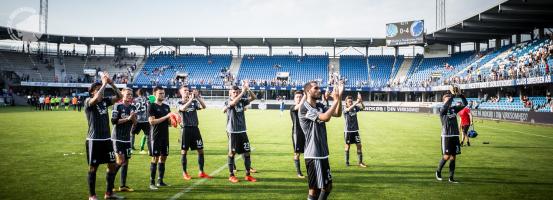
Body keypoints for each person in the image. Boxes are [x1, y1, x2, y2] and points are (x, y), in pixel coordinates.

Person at [299, 80, 344, 200]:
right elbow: (325, 117)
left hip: (322, 152)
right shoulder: (305, 107)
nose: (319, 90)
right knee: (315, 190)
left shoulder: (319, 105)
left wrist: (339, 98)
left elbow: (337, 113)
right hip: (314, 154)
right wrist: (335, 100)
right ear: (308, 91)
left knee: (327, 187)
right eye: (316, 88)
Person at [84, 72, 123, 200]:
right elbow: (95, 99)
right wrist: (104, 84)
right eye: (97, 90)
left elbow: (120, 96)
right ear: (92, 92)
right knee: (93, 167)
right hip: (94, 140)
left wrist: (111, 84)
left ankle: (109, 193)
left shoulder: (105, 102)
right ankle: (92, 196)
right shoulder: (88, 101)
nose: (101, 92)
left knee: (112, 165)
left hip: (107, 140)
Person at [224, 81, 257, 183]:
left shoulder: (242, 101)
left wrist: (248, 89)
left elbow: (254, 98)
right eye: (234, 92)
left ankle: (248, 175)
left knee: (247, 152)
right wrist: (242, 92)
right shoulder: (227, 102)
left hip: (243, 131)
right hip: (233, 131)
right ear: (230, 93)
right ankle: (231, 175)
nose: (236, 93)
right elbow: (233, 103)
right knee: (232, 153)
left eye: (237, 92)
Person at [178, 86, 212, 180]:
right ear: (180, 92)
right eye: (184, 91)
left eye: (188, 90)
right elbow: (183, 109)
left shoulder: (193, 102)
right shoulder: (179, 102)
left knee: (200, 150)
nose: (187, 92)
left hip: (195, 129)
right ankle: (185, 173)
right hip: (185, 129)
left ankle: (201, 172)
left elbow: (204, 106)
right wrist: (191, 100)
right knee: (184, 151)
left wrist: (197, 97)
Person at [435, 89, 467, 184]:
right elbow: (446, 105)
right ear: (444, 101)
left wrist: (461, 95)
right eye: (447, 99)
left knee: (453, 157)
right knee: (446, 156)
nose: (450, 100)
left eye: (450, 99)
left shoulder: (454, 109)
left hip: (455, 134)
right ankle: (438, 172)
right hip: (446, 135)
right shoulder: (442, 110)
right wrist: (452, 96)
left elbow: (465, 103)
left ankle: (451, 177)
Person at [110, 88, 137, 192]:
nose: (130, 96)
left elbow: (135, 123)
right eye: (128, 94)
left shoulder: (133, 107)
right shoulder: (117, 106)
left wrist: (133, 118)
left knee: (125, 162)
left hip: (127, 139)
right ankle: (110, 183)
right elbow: (114, 121)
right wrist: (128, 119)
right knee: (120, 161)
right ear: (122, 95)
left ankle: (123, 185)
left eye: (131, 94)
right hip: (117, 138)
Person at [147, 86, 172, 190]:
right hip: (155, 136)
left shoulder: (166, 107)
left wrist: (173, 120)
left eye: (163, 93)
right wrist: (166, 117)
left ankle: (160, 181)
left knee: (163, 158)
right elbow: (152, 122)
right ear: (155, 94)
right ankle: (152, 183)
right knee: (155, 158)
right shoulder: (151, 106)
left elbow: (169, 123)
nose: (162, 95)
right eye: (160, 93)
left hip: (165, 136)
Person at [343, 93, 367, 167]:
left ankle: (360, 162)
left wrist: (361, 101)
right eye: (349, 101)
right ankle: (347, 162)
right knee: (348, 146)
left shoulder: (355, 108)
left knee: (359, 145)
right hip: (348, 131)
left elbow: (363, 107)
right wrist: (357, 102)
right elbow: (348, 109)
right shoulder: (344, 108)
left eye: (351, 101)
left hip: (355, 130)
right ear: (346, 102)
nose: (350, 102)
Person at [290, 90, 306, 178]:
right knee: (297, 153)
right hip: (297, 133)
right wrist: (305, 96)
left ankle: (310, 170)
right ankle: (299, 173)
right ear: (294, 99)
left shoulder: (305, 107)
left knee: (309, 151)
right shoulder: (292, 107)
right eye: (297, 97)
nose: (299, 98)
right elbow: (299, 106)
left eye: (300, 96)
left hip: (306, 132)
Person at [131, 89, 150, 153]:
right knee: (148, 135)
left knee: (132, 133)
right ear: (143, 93)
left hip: (137, 120)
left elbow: (132, 109)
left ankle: (131, 147)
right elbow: (149, 106)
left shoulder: (135, 100)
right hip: (146, 120)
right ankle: (150, 149)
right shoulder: (146, 99)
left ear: (138, 93)